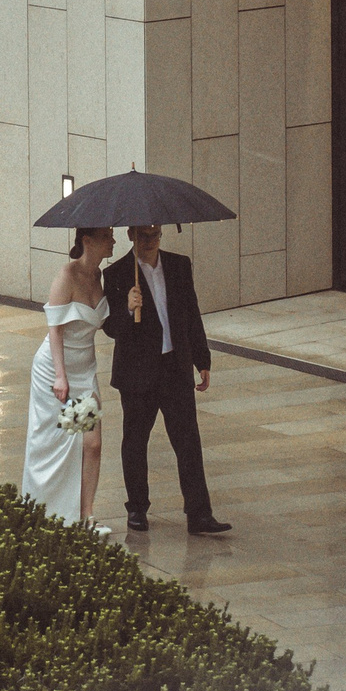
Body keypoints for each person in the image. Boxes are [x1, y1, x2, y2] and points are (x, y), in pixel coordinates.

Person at [101, 223, 230, 536]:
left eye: (155, 235)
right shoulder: (116, 274)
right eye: (143, 236)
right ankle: (137, 508)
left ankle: (199, 513)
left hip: (175, 367)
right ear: (131, 235)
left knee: (188, 441)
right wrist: (127, 308)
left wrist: (202, 360)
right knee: (135, 442)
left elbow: (191, 314)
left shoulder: (179, 266)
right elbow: (110, 328)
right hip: (137, 373)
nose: (150, 241)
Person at [21, 226, 113, 531]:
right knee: (59, 443)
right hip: (56, 371)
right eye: (107, 236)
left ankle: (86, 516)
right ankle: (48, 511)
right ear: (87, 240)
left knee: (92, 444)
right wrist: (61, 377)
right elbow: (55, 330)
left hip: (85, 371)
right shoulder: (66, 276)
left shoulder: (99, 276)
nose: (113, 240)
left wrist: (128, 305)